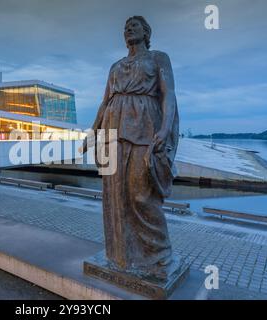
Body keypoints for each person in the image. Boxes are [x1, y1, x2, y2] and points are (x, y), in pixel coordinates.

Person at [84, 16, 180, 279]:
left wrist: (165, 128)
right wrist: (93, 132)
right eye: (125, 27)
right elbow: (105, 101)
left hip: (144, 128)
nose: (128, 29)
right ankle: (121, 256)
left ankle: (159, 255)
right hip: (112, 131)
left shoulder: (158, 58)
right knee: (114, 196)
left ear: (146, 32)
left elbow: (168, 94)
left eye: (134, 26)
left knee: (141, 193)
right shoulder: (115, 66)